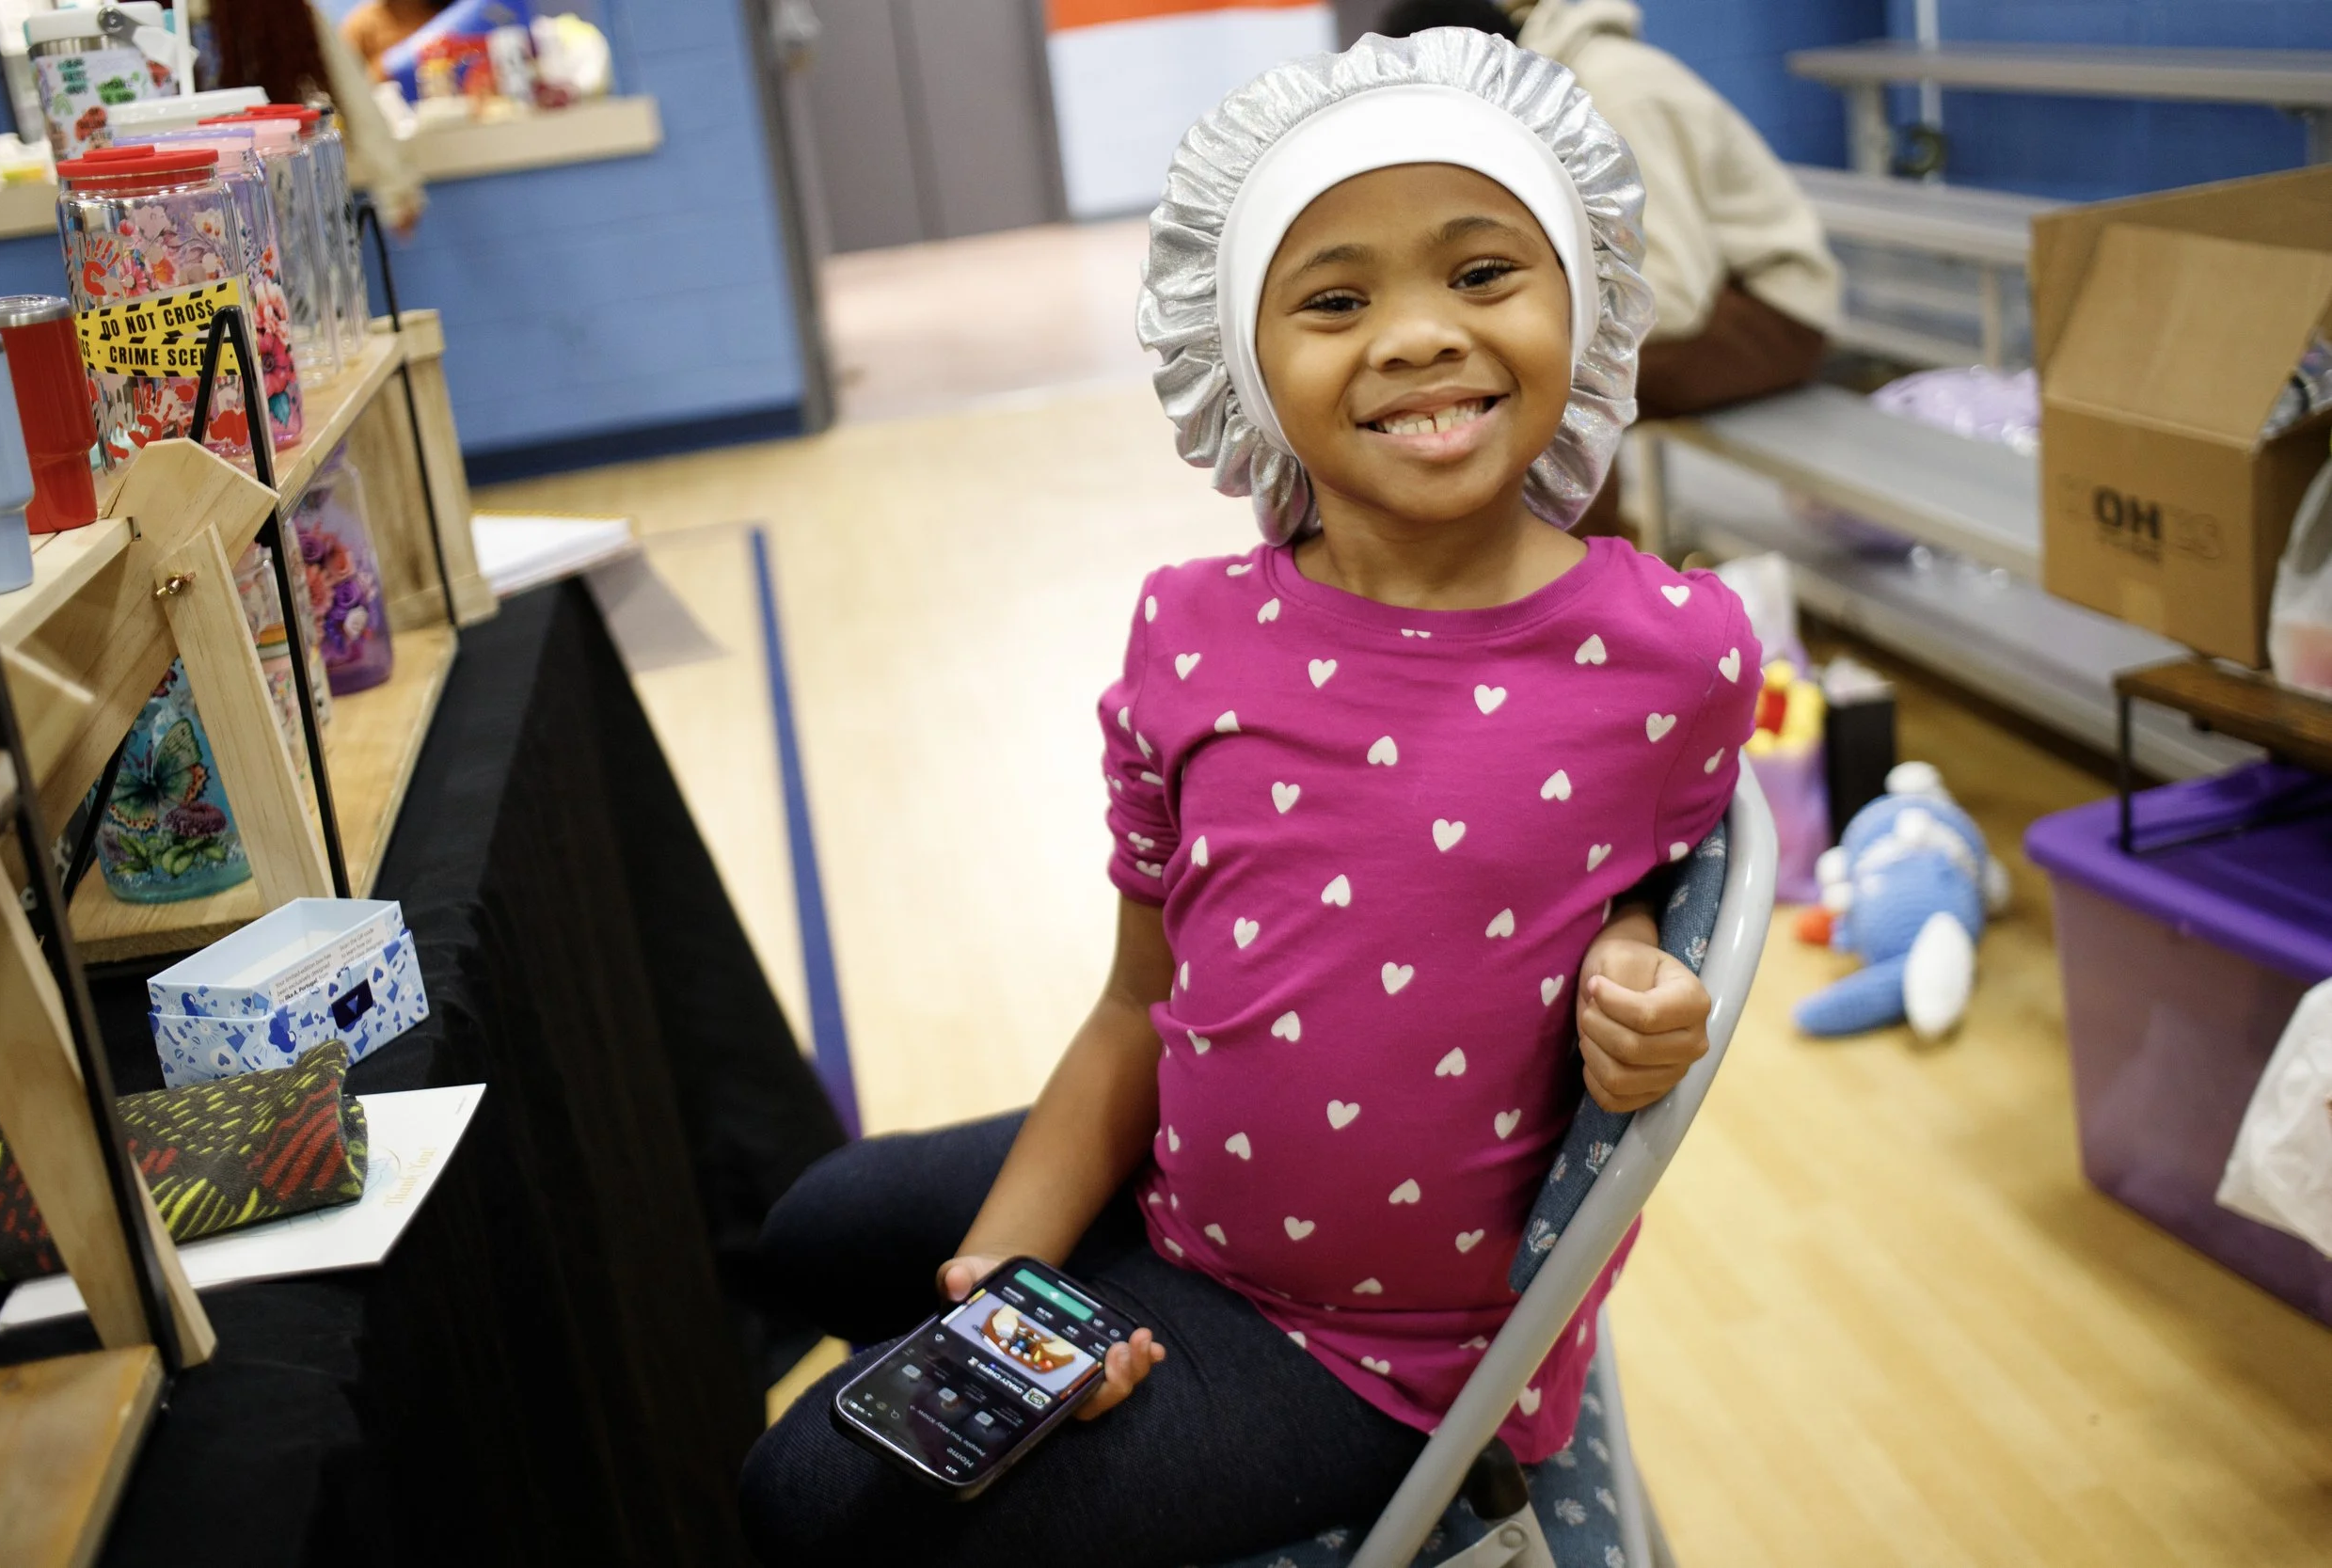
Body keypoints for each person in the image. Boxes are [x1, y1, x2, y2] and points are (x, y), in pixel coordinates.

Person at [741, 30, 1761, 1567]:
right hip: (1173, 1188)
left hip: (1379, 1350)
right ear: (1240, 354)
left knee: (802, 1498)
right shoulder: (1192, 628)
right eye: (1338, 299)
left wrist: (1631, 965)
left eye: (1483, 275)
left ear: (1584, 298)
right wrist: (1009, 1286)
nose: (1418, 338)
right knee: (814, 1222)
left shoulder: (1677, 652)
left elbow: (1643, 870)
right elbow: (1135, 1003)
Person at [1380, 0, 1840, 533]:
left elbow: (1675, 292)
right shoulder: (1544, 86)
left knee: (1549, 388)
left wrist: (1532, 330)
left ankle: (1582, 586)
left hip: (1768, 313)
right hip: (1712, 296)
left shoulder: (1607, 90)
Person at [202, 0, 426, 234]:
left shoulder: (281, 13)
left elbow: (354, 94)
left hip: (276, 200)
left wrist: (396, 188)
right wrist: (397, 188)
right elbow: (355, 96)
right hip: (280, 197)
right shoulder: (284, 13)